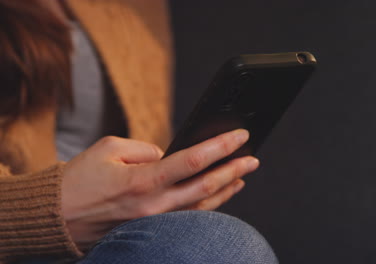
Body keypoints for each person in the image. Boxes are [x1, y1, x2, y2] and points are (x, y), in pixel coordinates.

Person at [0, 0, 278, 263]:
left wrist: (162, 191)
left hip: (111, 238)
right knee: (223, 245)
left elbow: (149, 127)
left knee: (208, 241)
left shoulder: (140, 8)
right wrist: (47, 210)